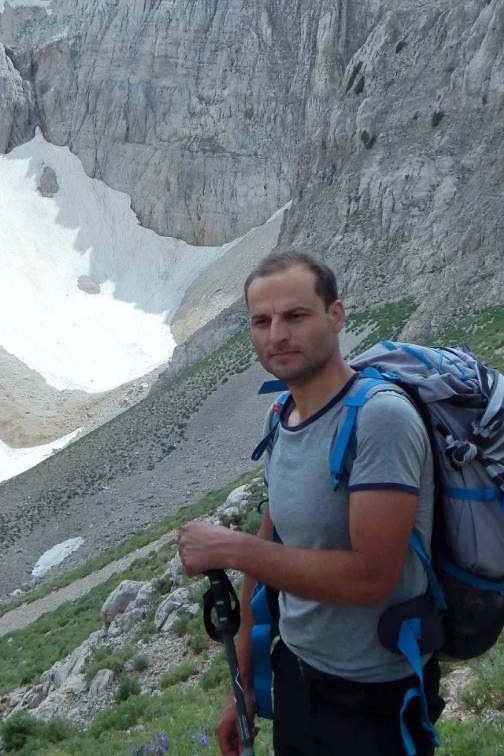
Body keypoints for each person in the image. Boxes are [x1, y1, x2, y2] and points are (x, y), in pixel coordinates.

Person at [177, 250, 443, 756]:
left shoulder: (381, 420)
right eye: (262, 320)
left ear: (336, 316)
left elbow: (370, 578)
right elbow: (272, 537)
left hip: (376, 698)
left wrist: (232, 551)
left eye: (295, 316)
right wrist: (247, 683)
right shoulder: (280, 415)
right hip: (296, 676)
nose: (277, 333)